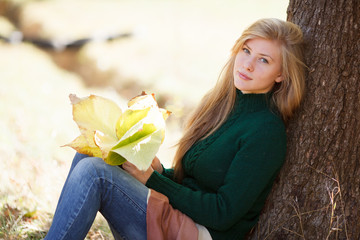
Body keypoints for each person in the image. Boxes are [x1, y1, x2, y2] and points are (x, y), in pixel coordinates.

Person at [45, 18, 305, 240]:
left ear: (280, 74)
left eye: (263, 60)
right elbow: (194, 183)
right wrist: (159, 171)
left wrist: (153, 180)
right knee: (94, 153)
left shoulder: (266, 132)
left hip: (199, 233)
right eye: (246, 51)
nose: (248, 64)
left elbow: (222, 213)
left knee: (95, 174)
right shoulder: (225, 106)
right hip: (179, 216)